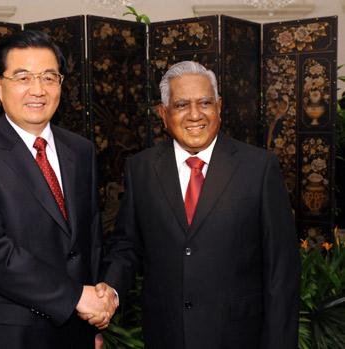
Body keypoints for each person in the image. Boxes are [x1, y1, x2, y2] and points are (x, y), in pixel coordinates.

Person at [102, 61, 300, 348]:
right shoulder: (141, 168)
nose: (195, 115)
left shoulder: (258, 167)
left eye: (205, 102)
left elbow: (281, 269)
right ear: (163, 113)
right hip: (166, 335)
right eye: (182, 105)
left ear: (219, 107)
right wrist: (110, 290)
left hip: (240, 337)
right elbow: (127, 245)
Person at [0, 30, 117, 349]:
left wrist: (93, 320)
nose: (38, 90)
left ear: (61, 84)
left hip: (76, 327)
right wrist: (77, 297)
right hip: (11, 332)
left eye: (49, 77)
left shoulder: (80, 150)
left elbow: (89, 238)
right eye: (23, 77)